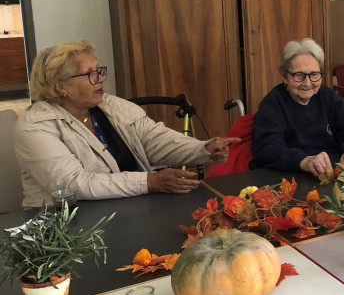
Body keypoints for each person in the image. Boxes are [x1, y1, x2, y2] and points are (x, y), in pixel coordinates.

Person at [16, 40, 239, 209]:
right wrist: (149, 182)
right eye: (90, 74)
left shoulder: (109, 105)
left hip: (122, 210)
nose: (101, 78)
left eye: (99, 71)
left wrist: (203, 149)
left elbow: (154, 139)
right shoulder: (35, 126)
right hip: (61, 228)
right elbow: (74, 184)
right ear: (60, 87)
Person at [251, 38, 344, 176]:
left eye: (314, 74)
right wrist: (303, 161)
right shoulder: (273, 104)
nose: (308, 83)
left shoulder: (329, 97)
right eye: (299, 75)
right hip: (291, 175)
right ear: (285, 77)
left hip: (333, 172)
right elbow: (267, 148)